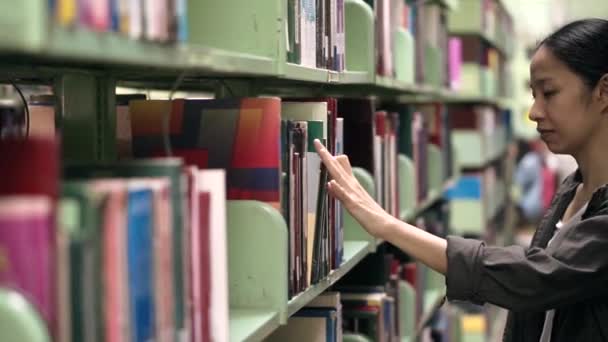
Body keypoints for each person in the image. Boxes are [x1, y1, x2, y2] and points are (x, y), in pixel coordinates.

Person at [314, 18, 608, 341]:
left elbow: (535, 278)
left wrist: (387, 225)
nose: (534, 112)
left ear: (603, 91)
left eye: (549, 93)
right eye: (533, 94)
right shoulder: (571, 191)